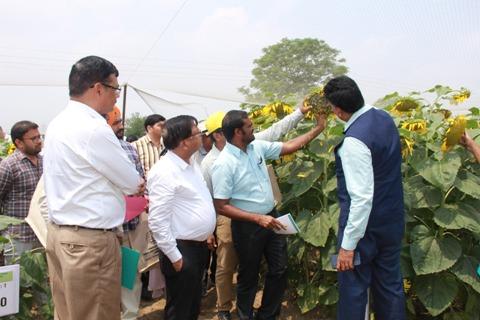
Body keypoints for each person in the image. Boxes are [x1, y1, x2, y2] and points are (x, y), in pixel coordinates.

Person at [43, 55, 145, 320]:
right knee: (97, 313)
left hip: (61, 235)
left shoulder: (57, 124)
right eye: (115, 89)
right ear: (99, 88)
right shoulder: (92, 128)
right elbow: (132, 182)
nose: (115, 97)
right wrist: (134, 183)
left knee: (68, 313)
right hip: (90, 242)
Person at [212, 109, 326, 320]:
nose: (253, 127)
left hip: (271, 218)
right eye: (249, 126)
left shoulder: (257, 148)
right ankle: (246, 315)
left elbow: (291, 145)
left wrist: (318, 128)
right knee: (249, 275)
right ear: (238, 132)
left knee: (280, 268)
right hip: (247, 227)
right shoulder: (224, 163)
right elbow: (221, 206)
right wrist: (257, 218)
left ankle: (267, 315)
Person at [324, 75, 405, 320]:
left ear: (337, 110)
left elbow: (361, 199)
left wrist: (348, 246)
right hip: (391, 221)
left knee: (354, 291)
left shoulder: (354, 142)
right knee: (390, 288)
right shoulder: (384, 118)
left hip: (363, 231)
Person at [148, 115, 216, 320]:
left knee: (192, 306)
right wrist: (176, 258)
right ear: (184, 141)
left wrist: (208, 232)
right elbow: (157, 221)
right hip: (181, 251)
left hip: (198, 247)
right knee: (180, 311)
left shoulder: (191, 163)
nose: (203, 136)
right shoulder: (165, 171)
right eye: (197, 133)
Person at [105, 106, 146, 320]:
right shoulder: (94, 150)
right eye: (115, 122)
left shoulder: (129, 149)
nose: (121, 126)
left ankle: (130, 315)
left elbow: (139, 182)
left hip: (131, 225)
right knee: (107, 278)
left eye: (121, 121)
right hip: (105, 229)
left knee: (130, 274)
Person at [0, 120, 43, 262]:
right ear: (19, 143)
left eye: (39, 137)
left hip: (42, 234)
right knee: (19, 280)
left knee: (42, 280)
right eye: (33, 138)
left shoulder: (45, 162)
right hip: (18, 236)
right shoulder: (8, 166)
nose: (38, 141)